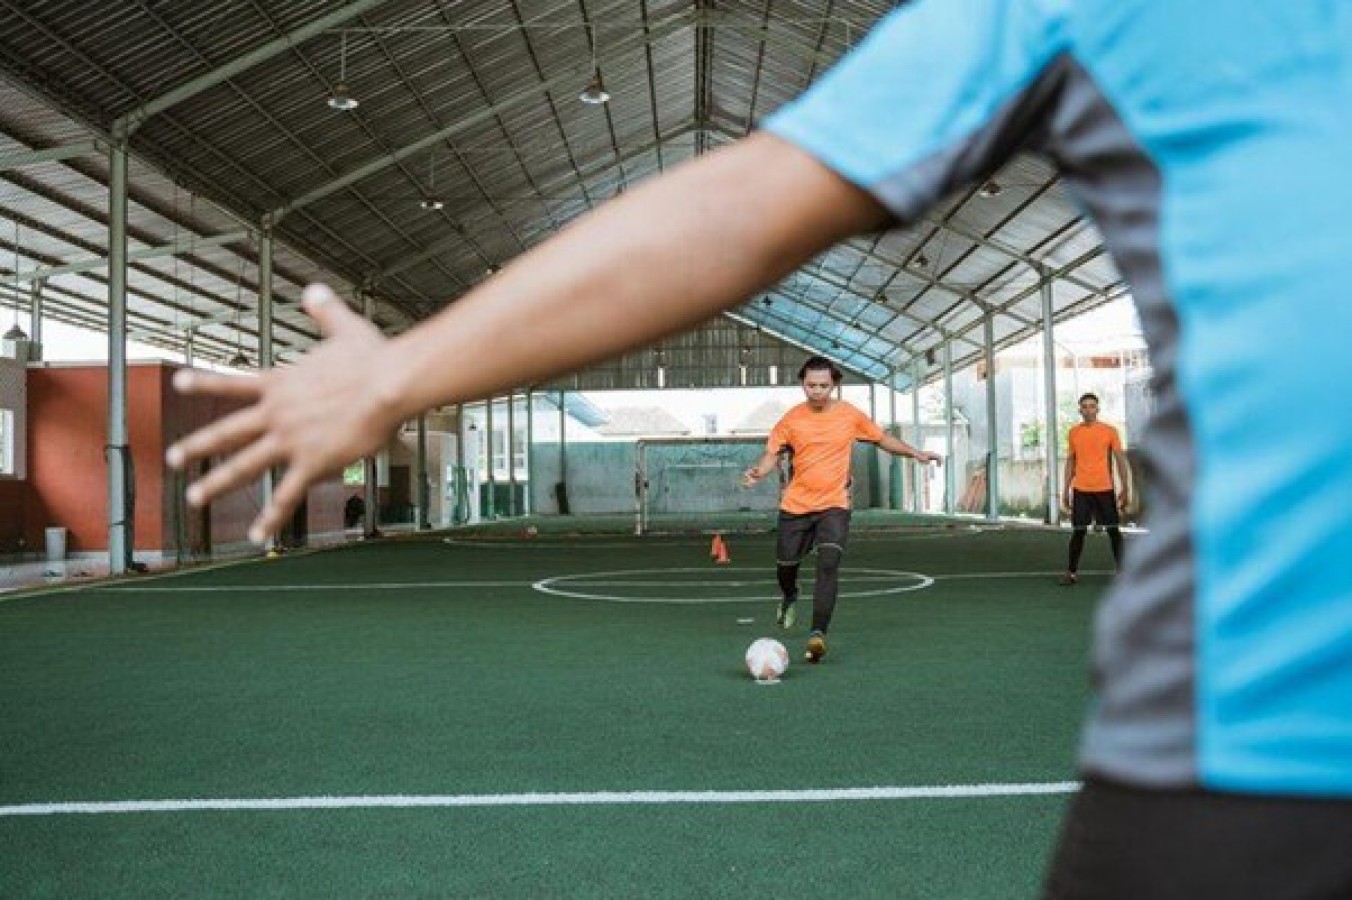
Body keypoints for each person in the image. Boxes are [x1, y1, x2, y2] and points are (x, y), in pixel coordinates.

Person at [168, 0, 1352, 894]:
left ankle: (813, 620)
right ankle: (792, 602)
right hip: (1269, 751)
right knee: (795, 553)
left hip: (1237, 744)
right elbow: (740, 210)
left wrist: (916, 460)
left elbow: (834, 351)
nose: (825, 385)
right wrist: (402, 372)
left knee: (827, 557)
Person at [740, 356, 941, 663]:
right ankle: (790, 594)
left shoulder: (850, 415)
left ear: (833, 384)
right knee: (785, 566)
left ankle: (817, 634)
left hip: (834, 504)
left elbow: (882, 439)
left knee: (829, 563)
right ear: (802, 384)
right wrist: (759, 472)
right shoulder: (791, 419)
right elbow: (772, 454)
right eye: (811, 385)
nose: (817, 391)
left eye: (823, 385)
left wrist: (915, 453)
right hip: (796, 506)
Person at [1058, 392, 1129, 586]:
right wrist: (1065, 489)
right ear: (1080, 410)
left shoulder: (1110, 431)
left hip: (1105, 489)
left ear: (1098, 409)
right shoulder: (1073, 432)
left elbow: (1120, 460)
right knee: (1078, 531)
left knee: (1113, 531)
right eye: (1085, 406)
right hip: (1081, 489)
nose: (1088, 410)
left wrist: (1125, 487)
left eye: (1092, 406)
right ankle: (1071, 573)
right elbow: (1070, 461)